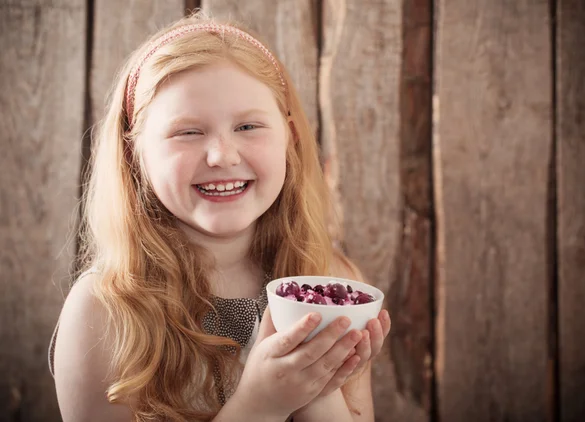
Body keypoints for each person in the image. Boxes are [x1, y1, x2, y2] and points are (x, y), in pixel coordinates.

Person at [49, 10, 391, 422]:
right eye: (188, 132)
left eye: (248, 127)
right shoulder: (104, 311)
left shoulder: (331, 281)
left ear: (290, 139)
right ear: (133, 154)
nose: (222, 156)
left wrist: (318, 385)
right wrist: (260, 406)